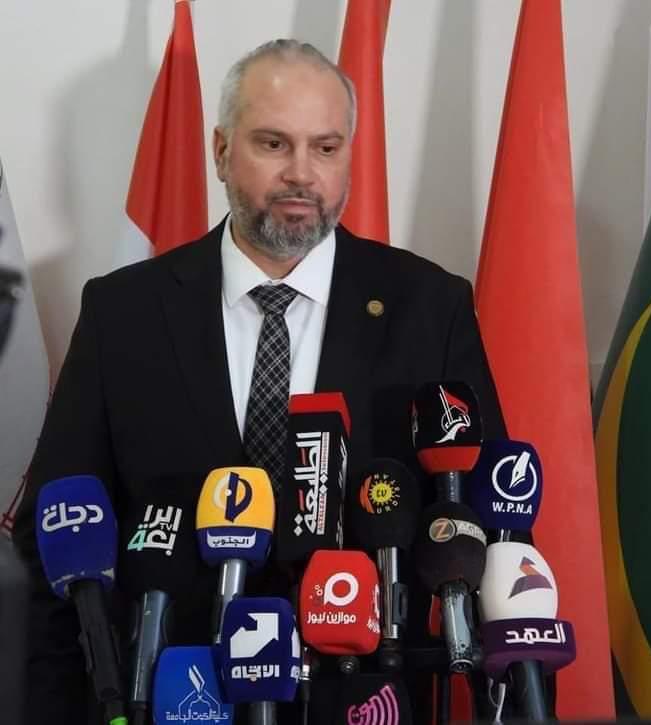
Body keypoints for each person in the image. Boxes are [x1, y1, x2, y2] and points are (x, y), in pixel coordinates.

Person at [13, 40, 506, 723]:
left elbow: (487, 530)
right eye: (274, 144)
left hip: (366, 699)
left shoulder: (429, 306)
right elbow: (53, 535)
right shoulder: (122, 312)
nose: (301, 174)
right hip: (173, 694)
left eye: (326, 148)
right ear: (221, 151)